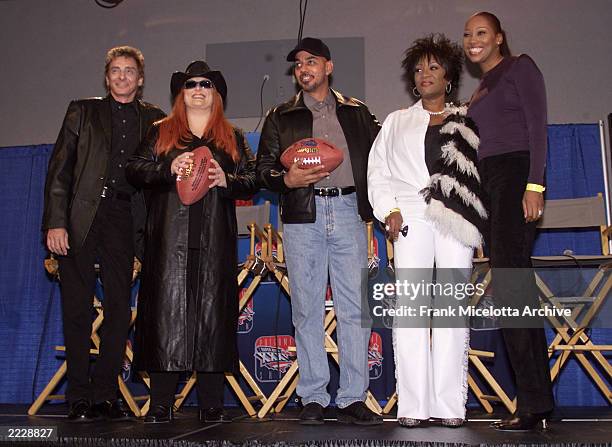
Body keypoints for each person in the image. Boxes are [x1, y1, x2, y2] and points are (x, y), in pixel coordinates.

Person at [256, 37, 382, 425]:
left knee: (355, 310)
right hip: (302, 214)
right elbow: (261, 169)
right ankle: (312, 396)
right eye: (298, 64)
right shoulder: (281, 115)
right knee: (306, 308)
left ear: (328, 66)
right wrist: (286, 178)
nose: (303, 68)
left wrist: (379, 213)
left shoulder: (357, 112)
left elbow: (380, 165)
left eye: (311, 61)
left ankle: (352, 397)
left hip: (347, 210)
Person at [126, 60, 257, 424]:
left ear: (216, 94)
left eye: (206, 84)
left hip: (214, 240)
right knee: (166, 318)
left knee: (212, 318)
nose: (198, 89)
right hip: (169, 241)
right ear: (181, 93)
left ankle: (211, 402)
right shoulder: (160, 132)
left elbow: (253, 179)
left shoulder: (232, 137)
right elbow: (133, 169)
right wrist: (166, 168)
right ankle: (161, 402)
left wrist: (225, 179)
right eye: (190, 84)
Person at [368, 34, 486, 428]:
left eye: (433, 67)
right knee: (413, 311)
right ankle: (413, 406)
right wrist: (390, 211)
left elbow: (481, 175)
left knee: (451, 310)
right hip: (411, 216)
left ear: (449, 75)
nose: (425, 74)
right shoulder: (397, 121)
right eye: (419, 69)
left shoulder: (469, 117)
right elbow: (378, 173)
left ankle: (450, 406)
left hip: (455, 215)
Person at [42, 46, 165, 422]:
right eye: (116, 70)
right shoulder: (83, 110)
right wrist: (55, 222)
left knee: (117, 311)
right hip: (81, 217)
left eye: (130, 71)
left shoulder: (156, 120)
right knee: (76, 310)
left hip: (125, 219)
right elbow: (59, 170)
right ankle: (77, 397)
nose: (123, 76)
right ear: (107, 76)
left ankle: (105, 395)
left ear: (140, 79)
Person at [463, 11, 554, 431]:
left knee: (512, 287)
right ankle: (534, 401)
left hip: (516, 175)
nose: (472, 40)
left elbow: (537, 127)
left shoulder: (521, 67)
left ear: (499, 38)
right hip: (489, 185)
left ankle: (533, 404)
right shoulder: (479, 91)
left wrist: (534, 186)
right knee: (512, 290)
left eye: (481, 32)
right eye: (467, 35)